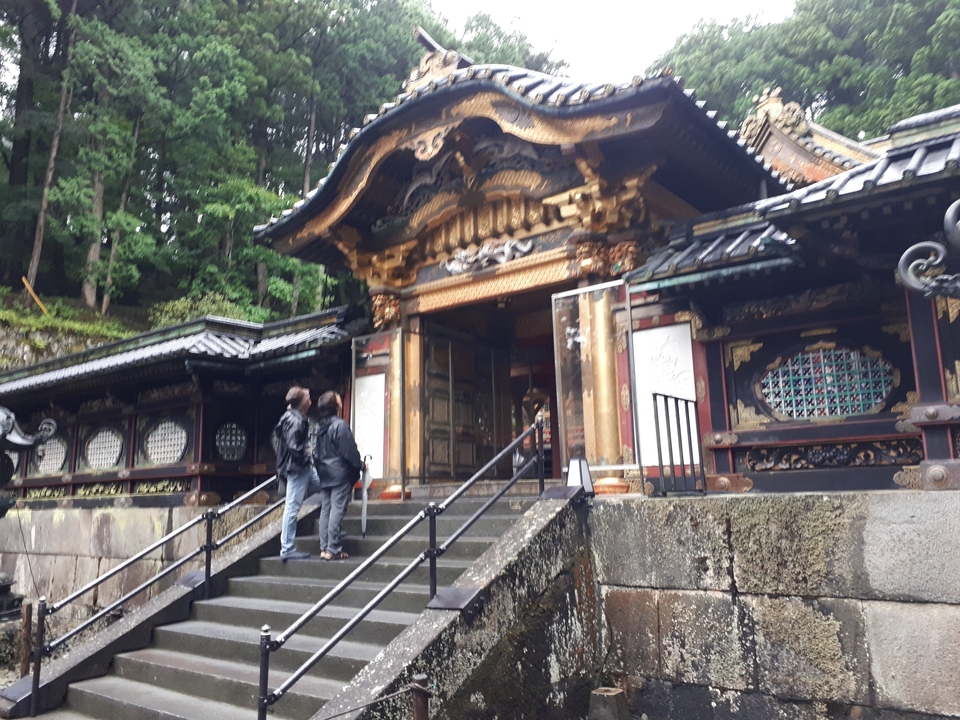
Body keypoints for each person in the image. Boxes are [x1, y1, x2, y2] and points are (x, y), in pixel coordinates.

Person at [313, 391, 363, 561]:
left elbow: (317, 453)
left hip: (326, 474)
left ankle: (324, 547)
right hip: (339, 474)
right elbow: (349, 451)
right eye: (338, 398)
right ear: (336, 405)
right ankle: (333, 548)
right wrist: (361, 465)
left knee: (326, 510)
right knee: (336, 510)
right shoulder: (339, 426)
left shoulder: (322, 427)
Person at [276, 386, 320, 561]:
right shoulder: (296, 421)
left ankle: (331, 529)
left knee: (331, 484)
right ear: (303, 402)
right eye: (308, 398)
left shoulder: (291, 417)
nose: (310, 400)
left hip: (303, 468)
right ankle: (287, 548)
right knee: (292, 507)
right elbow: (295, 447)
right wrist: (309, 456)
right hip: (298, 468)